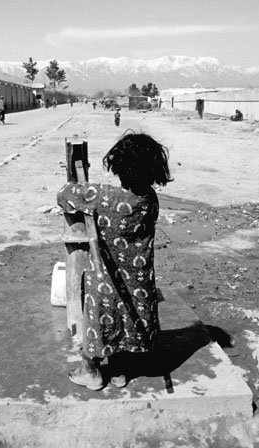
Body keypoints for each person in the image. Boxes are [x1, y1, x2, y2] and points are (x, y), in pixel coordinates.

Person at [56, 132, 173, 390]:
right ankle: (119, 371)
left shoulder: (104, 196)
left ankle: (91, 372)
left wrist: (88, 193)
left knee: (98, 320)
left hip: (105, 276)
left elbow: (64, 194)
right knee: (126, 320)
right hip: (137, 279)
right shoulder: (150, 199)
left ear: (119, 165)